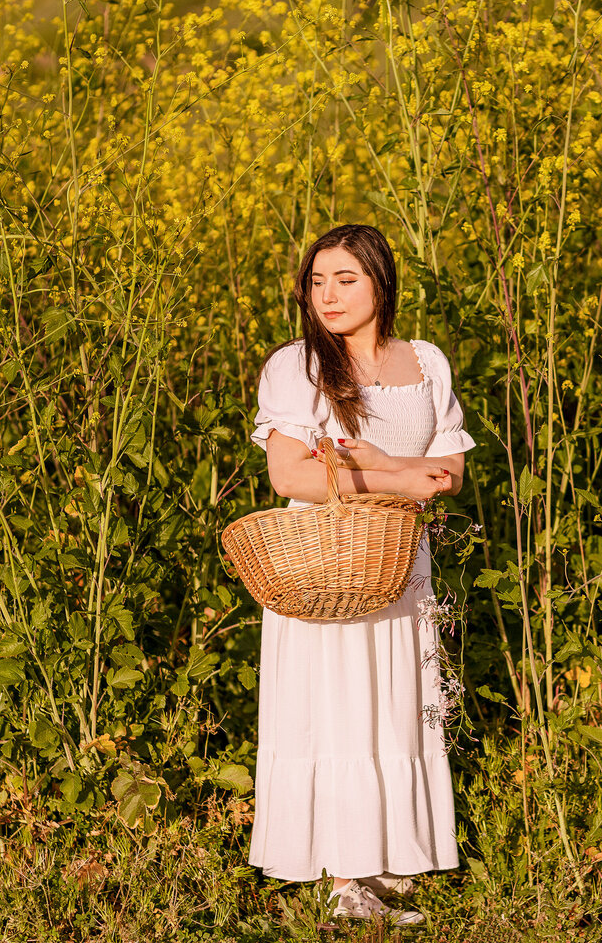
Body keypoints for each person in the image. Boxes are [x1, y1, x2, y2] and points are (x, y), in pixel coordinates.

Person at [246, 223, 476, 926]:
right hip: (324, 561)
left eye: (345, 279)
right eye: (317, 281)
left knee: (395, 703)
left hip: (400, 560)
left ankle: (380, 857)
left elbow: (452, 473)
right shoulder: (299, 365)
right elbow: (291, 472)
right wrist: (400, 470)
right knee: (336, 700)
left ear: (382, 281)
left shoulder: (424, 361)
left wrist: (369, 463)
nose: (327, 295)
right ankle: (343, 877)